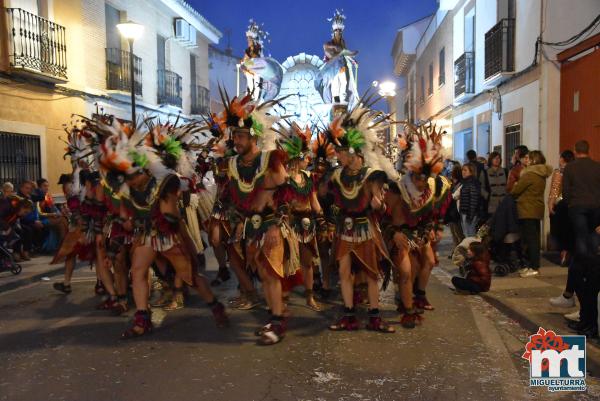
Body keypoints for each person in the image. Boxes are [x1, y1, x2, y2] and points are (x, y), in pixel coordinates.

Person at [327, 104, 398, 333]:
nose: (336, 155)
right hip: (345, 230)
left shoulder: (372, 175)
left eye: (339, 151)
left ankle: (375, 316)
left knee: (370, 273)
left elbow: (383, 207)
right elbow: (332, 203)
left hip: (366, 228)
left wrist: (379, 205)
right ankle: (349, 315)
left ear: (352, 151)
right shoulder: (336, 176)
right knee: (343, 273)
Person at [279, 123, 326, 311]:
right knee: (287, 261)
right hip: (290, 225)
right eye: (306, 157)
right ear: (297, 158)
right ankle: (283, 297)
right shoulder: (285, 179)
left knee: (307, 262)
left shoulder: (308, 177)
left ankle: (309, 297)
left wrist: (322, 220)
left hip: (307, 225)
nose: (309, 159)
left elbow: (314, 201)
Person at [562, 140, 600, 337]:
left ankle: (584, 257)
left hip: (577, 208)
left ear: (576, 151)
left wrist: (571, 204)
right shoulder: (597, 167)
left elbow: (566, 192)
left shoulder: (570, 168)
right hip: (595, 210)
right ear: (589, 150)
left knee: (580, 258)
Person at [511, 150, 552, 278]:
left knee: (530, 240)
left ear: (534, 160)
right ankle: (531, 265)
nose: (526, 160)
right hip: (536, 208)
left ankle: (534, 267)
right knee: (533, 238)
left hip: (527, 209)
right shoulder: (540, 174)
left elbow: (516, 190)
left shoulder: (529, 174)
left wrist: (517, 184)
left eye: (529, 158)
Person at [482, 151, 507, 217]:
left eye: (498, 158)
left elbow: (509, 185)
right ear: (491, 160)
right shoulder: (485, 172)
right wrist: (487, 196)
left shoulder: (505, 171)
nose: (497, 160)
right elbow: (481, 187)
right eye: (494, 158)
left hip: (503, 202)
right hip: (491, 203)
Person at [459, 163, 481, 237]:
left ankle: (472, 248)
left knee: (470, 235)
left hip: (469, 214)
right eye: (462, 170)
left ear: (471, 171)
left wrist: (470, 216)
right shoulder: (466, 181)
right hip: (465, 212)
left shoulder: (472, 182)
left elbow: (473, 200)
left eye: (465, 170)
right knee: (467, 234)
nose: (463, 172)